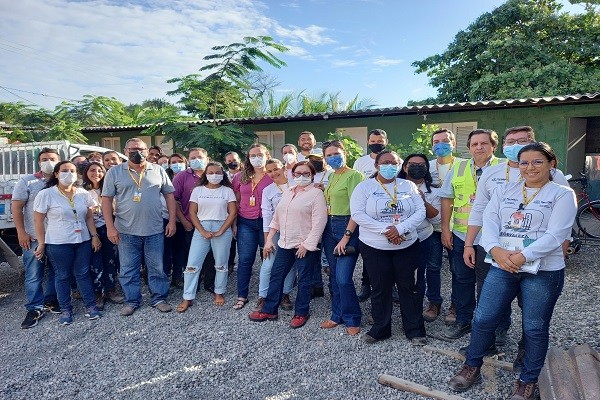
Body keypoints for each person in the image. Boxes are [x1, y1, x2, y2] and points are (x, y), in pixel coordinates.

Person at [448, 142, 577, 400]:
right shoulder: (505, 190)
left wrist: (521, 257)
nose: (530, 167)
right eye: (524, 162)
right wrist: (494, 249)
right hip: (502, 265)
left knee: (534, 327)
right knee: (483, 318)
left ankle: (527, 380)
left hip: (543, 270)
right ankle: (472, 365)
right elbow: (490, 220)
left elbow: (556, 234)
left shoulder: (562, 194)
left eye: (537, 161)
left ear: (552, 164)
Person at [464, 126, 571, 353]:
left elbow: (562, 221)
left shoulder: (556, 177)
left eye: (522, 140)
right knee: (490, 301)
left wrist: (562, 248)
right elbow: (481, 210)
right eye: (510, 141)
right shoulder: (493, 173)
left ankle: (526, 348)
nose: (516, 145)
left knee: (531, 307)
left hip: (537, 255)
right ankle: (491, 341)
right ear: (503, 146)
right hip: (496, 249)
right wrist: (469, 243)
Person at [351, 150, 427, 345]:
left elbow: (420, 210)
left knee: (409, 287)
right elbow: (358, 215)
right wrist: (388, 231)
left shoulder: (408, 185)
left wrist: (400, 228)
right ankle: (381, 328)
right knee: (380, 287)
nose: (389, 166)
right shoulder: (364, 187)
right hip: (374, 246)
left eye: (393, 162)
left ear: (400, 166)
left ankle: (414, 329)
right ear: (376, 166)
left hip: (407, 244)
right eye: (384, 162)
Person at [101, 138, 176, 316]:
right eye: (133, 149)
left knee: (157, 267)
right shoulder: (114, 172)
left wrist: (172, 221)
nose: (137, 152)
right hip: (126, 230)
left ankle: (159, 298)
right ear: (125, 151)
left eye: (141, 149)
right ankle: (132, 300)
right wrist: (110, 227)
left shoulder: (157, 170)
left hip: (154, 229)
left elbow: (170, 197)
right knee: (128, 269)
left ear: (147, 150)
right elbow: (106, 200)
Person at [248, 161, 327, 328]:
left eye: (306, 173)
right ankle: (270, 309)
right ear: (292, 175)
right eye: (298, 173)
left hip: (304, 245)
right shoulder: (288, 192)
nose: (301, 176)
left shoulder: (316, 194)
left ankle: (301, 312)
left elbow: (320, 221)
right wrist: (269, 239)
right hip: (285, 243)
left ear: (312, 175)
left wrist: (307, 245)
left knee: (304, 280)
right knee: (277, 276)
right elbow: (276, 218)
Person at [439, 129, 502, 339]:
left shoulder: (504, 167)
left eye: (484, 143)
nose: (479, 148)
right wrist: (445, 229)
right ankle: (464, 321)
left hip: (494, 238)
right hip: (461, 235)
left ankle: (494, 327)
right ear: (468, 148)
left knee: (492, 283)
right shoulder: (459, 167)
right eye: (474, 144)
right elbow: (447, 199)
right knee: (462, 280)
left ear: (494, 146)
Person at [33, 161, 102, 325]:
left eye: (72, 171)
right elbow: (38, 221)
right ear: (56, 174)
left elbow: (89, 217)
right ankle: (65, 309)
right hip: (58, 243)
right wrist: (42, 244)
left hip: (83, 240)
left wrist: (94, 236)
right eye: (64, 171)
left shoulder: (82, 193)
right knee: (62, 275)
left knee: (83, 274)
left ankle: (90, 306)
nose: (68, 174)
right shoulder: (46, 194)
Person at [177, 162, 237, 311]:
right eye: (211, 172)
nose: (214, 175)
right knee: (192, 264)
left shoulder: (227, 191)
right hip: (201, 228)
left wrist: (221, 230)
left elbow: (233, 213)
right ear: (206, 174)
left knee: (221, 264)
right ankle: (188, 296)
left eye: (218, 172)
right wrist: (202, 231)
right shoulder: (197, 190)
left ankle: (219, 292)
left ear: (222, 174)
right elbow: (192, 212)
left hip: (222, 226)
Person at [12, 148, 61, 329]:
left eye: (52, 158)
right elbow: (17, 207)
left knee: (56, 271)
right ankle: (34, 307)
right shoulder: (27, 181)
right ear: (39, 162)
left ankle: (51, 300)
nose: (48, 161)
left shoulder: (61, 181)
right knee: (34, 274)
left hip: (57, 237)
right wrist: (21, 232)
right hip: (32, 237)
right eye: (44, 159)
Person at [319, 140, 364, 336]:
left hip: (347, 226)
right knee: (334, 277)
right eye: (328, 155)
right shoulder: (331, 176)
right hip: (329, 226)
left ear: (344, 153)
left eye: (336, 153)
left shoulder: (354, 175)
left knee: (344, 277)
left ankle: (353, 318)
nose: (333, 157)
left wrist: (347, 236)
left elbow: (357, 208)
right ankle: (337, 315)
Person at [352, 129, 395, 302]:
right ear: (368, 142)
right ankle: (365, 284)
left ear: (386, 141)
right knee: (369, 250)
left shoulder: (392, 160)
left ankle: (391, 286)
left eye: (380, 139)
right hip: (367, 213)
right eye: (373, 140)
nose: (376, 142)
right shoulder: (360, 162)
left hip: (389, 210)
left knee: (391, 251)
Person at [398, 154, 442, 323]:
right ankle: (406, 305)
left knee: (429, 270)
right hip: (400, 237)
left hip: (424, 237)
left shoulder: (434, 190)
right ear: (404, 167)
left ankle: (433, 303)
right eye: (412, 164)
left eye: (421, 164)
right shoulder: (395, 187)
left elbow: (436, 219)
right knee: (403, 272)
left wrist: (422, 200)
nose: (417, 167)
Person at [232, 143, 273, 310]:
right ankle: (242, 295)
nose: (257, 158)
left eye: (260, 154)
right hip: (245, 222)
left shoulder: (273, 175)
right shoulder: (240, 177)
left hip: (267, 223)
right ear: (248, 158)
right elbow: (235, 200)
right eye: (253, 155)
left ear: (267, 156)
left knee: (268, 259)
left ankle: (267, 294)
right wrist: (234, 223)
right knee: (245, 260)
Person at [428, 128, 463, 324]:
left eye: (445, 141)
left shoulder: (463, 166)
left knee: (457, 269)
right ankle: (434, 302)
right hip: (433, 227)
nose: (440, 145)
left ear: (453, 143)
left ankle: (456, 305)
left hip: (457, 227)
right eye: (436, 141)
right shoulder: (428, 167)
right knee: (432, 267)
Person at [252, 159, 297, 312]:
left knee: (290, 264)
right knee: (268, 264)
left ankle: (285, 294)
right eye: (269, 171)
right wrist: (267, 241)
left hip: (294, 230)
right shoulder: (268, 190)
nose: (273, 173)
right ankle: (263, 296)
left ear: (284, 168)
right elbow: (267, 215)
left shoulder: (295, 185)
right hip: (275, 231)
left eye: (276, 169)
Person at [172, 149, 217, 292]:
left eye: (200, 157)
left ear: (207, 158)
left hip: (214, 222)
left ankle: (209, 283)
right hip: (191, 223)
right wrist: (184, 222)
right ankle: (192, 285)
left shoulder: (215, 174)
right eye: (193, 157)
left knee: (212, 255)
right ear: (188, 160)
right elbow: (174, 200)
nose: (197, 160)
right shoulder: (181, 177)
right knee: (192, 256)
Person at [83, 162, 124, 310]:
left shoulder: (110, 188)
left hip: (110, 227)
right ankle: (97, 293)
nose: (96, 173)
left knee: (111, 260)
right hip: (91, 231)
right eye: (92, 170)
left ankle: (111, 290)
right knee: (95, 263)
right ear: (86, 173)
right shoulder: (81, 191)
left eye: (100, 171)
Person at [224, 151, 242, 274]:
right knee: (229, 242)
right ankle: (229, 264)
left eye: (234, 160)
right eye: (229, 161)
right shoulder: (223, 176)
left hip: (242, 212)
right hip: (226, 213)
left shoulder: (245, 175)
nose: (232, 163)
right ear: (225, 162)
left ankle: (244, 265)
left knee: (242, 241)